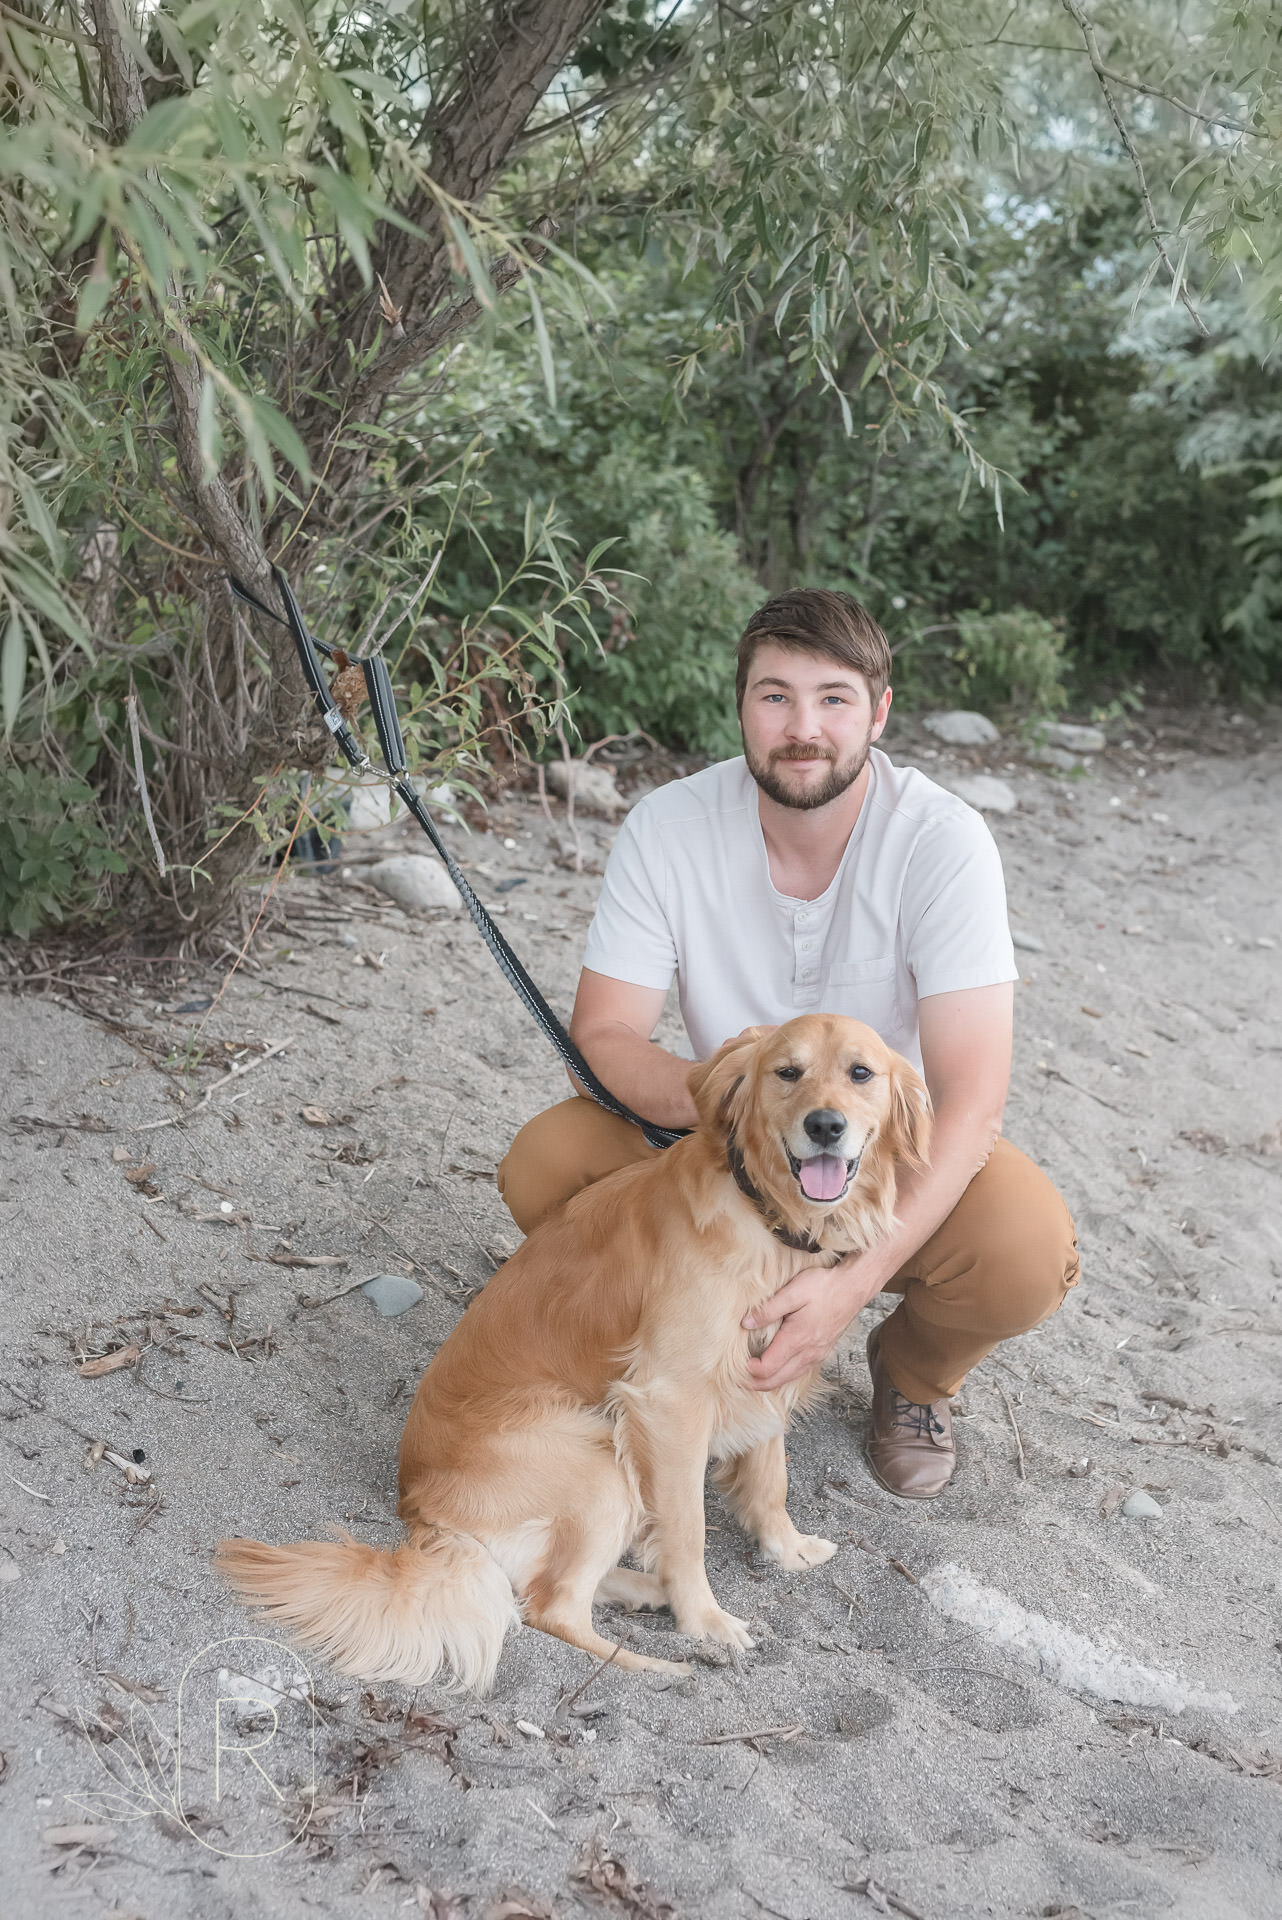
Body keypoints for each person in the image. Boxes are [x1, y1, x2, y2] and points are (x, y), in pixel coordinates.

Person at [497, 590, 1079, 1499]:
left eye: (834, 698)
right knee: (547, 1163)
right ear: (740, 707)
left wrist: (851, 1288)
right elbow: (605, 1033)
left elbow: (973, 1103)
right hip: (724, 1135)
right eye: (775, 697)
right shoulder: (669, 827)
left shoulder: (943, 841)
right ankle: (679, 1347)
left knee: (1025, 1251)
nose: (803, 727)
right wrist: (726, 1097)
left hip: (875, 1154)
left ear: (879, 712)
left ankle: (915, 1378)